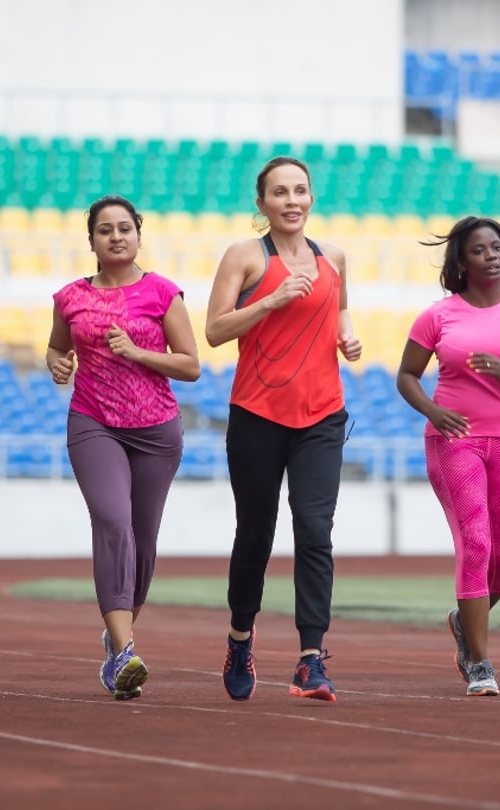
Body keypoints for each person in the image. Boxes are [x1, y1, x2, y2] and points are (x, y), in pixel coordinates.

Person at [205, 156, 362, 703]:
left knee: (315, 530)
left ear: (311, 198)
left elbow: (339, 309)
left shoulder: (333, 257)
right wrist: (270, 300)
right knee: (256, 533)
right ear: (262, 203)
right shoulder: (244, 256)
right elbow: (215, 330)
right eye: (280, 192)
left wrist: (348, 337)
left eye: (300, 190)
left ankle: (310, 659)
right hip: (257, 414)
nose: (292, 200)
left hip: (321, 413)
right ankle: (241, 638)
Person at [46, 195, 201, 701]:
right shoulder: (69, 297)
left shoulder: (162, 293)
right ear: (91, 240)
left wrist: (137, 352)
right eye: (105, 230)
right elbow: (56, 347)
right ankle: (125, 648)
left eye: (124, 229)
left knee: (143, 541)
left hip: (156, 430)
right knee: (112, 522)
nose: (116, 237)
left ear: (139, 234)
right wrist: (58, 364)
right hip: (95, 423)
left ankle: (116, 644)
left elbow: (190, 364)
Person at [396, 216, 500, 697]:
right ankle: (480, 663)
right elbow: (406, 376)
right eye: (480, 250)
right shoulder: (438, 316)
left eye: (497, 247)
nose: (492, 255)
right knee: (477, 542)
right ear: (461, 263)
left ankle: (463, 622)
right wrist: (433, 411)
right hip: (455, 440)